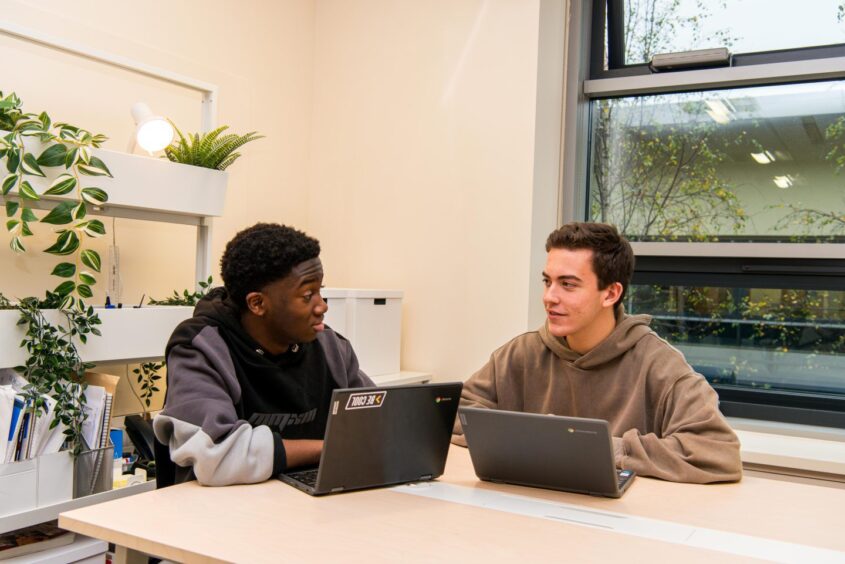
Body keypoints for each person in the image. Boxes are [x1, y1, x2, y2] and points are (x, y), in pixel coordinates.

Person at [453, 222, 742, 483]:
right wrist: (533, 438)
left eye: (567, 284)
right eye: (547, 281)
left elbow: (717, 451)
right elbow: (453, 415)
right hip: (532, 508)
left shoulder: (660, 364)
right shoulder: (522, 352)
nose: (549, 297)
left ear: (611, 294)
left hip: (619, 521)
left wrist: (599, 447)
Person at [153, 223, 373, 486]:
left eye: (320, 291)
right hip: (219, 514)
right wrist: (328, 448)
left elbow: (374, 422)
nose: (322, 306)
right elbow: (216, 454)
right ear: (257, 303)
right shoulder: (201, 347)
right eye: (307, 295)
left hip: (305, 507)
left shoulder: (330, 347)